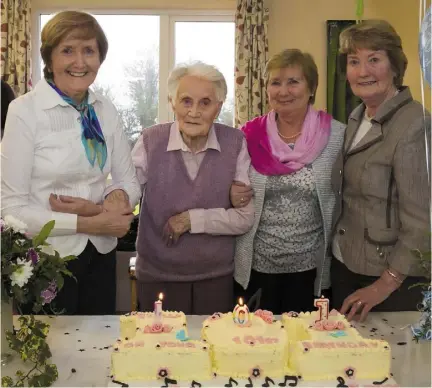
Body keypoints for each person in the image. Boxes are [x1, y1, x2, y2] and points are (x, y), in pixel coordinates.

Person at [1, 11, 141, 315]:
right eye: (68, 50)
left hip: (100, 255)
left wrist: (114, 199)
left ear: (100, 58)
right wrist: (92, 222)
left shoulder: (105, 110)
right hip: (45, 262)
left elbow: (129, 182)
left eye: (89, 50)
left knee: (98, 352)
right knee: (50, 359)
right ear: (49, 60)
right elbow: (11, 210)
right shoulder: (24, 112)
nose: (80, 62)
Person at [131, 62, 255, 315]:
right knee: (158, 349)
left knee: (210, 348)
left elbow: (244, 218)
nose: (194, 112)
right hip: (157, 275)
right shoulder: (149, 141)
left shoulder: (235, 143)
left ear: (218, 107)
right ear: (172, 103)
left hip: (215, 277)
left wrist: (191, 220)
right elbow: (126, 194)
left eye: (205, 103)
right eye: (186, 101)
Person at [331, 20, 431, 321]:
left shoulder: (415, 124)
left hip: (389, 281)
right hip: (346, 264)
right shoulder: (356, 116)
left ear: (394, 65)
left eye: (374, 59)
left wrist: (385, 283)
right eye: (354, 61)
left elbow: (423, 220)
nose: (362, 71)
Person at [232, 49, 345, 314]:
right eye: (275, 82)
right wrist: (232, 192)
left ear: (311, 88)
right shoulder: (248, 136)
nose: (284, 91)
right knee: (257, 345)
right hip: (256, 266)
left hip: (311, 270)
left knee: (303, 345)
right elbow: (231, 183)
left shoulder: (336, 136)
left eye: (293, 81)